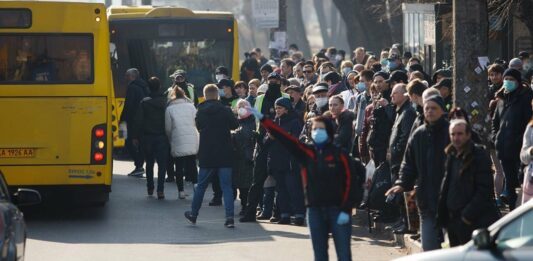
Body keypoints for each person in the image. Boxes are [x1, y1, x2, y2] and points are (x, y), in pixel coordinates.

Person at [250, 109, 360, 261]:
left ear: (328, 131)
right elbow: (285, 138)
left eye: (321, 129)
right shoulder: (307, 152)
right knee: (320, 255)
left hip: (338, 210)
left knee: (344, 255)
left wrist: (346, 208)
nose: (317, 132)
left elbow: (350, 182)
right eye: (315, 129)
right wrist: (264, 120)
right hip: (315, 211)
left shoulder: (340, 154)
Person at [386, 95, 450, 251]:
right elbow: (408, 163)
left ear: (442, 111)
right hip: (426, 199)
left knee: (451, 247)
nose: (429, 111)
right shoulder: (418, 134)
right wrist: (402, 183)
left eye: (434, 108)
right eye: (427, 108)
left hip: (450, 200)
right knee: (428, 246)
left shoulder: (451, 133)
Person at [437, 119, 500, 247]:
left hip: (473, 222)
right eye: (453, 134)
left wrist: (466, 217)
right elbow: (447, 186)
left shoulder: (479, 156)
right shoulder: (451, 155)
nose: (456, 138)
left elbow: (484, 191)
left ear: (468, 135)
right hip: (454, 221)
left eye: (459, 134)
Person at [184, 84, 239, 228]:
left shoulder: (200, 111)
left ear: (205, 95)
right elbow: (234, 125)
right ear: (217, 95)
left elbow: (199, 127)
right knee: (226, 187)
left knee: (201, 186)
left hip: (207, 153)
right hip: (225, 153)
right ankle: (229, 218)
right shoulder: (225, 110)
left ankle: (193, 215)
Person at [492, 68, 533, 210]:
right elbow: (495, 121)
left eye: (511, 79)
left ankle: (523, 211)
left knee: (523, 182)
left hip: (520, 149)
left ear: (518, 82)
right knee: (509, 183)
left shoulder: (525, 98)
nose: (508, 82)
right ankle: (512, 212)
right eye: (506, 79)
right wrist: (495, 136)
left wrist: (520, 140)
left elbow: (529, 122)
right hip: (503, 147)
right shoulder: (501, 98)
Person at [266, 97, 305, 225]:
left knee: (293, 189)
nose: (277, 110)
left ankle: (299, 216)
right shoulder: (274, 122)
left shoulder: (294, 122)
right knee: (281, 191)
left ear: (287, 109)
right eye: (276, 108)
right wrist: (270, 138)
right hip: (277, 162)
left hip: (290, 162)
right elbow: (265, 142)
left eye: (280, 108)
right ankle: (284, 215)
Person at [131, 77, 169, 199]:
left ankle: (150, 188)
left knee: (149, 163)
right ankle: (161, 190)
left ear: (148, 87)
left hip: (147, 137)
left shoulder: (144, 103)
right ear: (159, 87)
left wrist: (135, 136)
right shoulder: (166, 102)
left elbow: (138, 121)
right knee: (162, 164)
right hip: (162, 137)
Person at [165, 86, 199, 199]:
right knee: (192, 164)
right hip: (191, 137)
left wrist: (171, 138)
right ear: (184, 94)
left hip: (177, 137)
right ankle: (196, 186)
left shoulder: (169, 109)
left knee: (178, 166)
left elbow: (168, 128)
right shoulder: (191, 106)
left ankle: (181, 191)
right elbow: (196, 121)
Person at [120, 68, 149, 177]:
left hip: (132, 120)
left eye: (127, 75)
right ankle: (139, 166)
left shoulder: (132, 87)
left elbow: (129, 106)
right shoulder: (144, 86)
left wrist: (123, 119)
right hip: (143, 119)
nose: (125, 77)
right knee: (140, 143)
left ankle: (139, 166)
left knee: (128, 142)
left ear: (132, 76)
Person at [232, 99, 257, 215]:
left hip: (248, 157)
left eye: (244, 106)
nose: (242, 108)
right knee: (236, 184)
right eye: (239, 106)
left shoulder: (253, 121)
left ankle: (245, 206)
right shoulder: (234, 122)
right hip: (236, 157)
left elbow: (249, 136)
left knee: (245, 186)